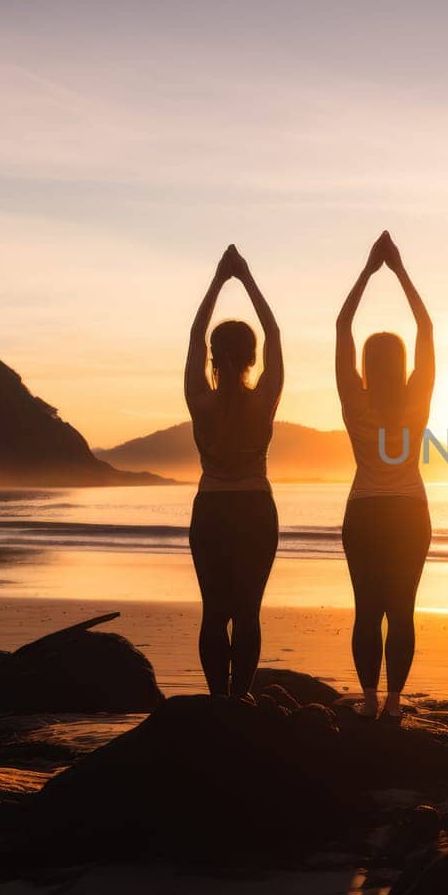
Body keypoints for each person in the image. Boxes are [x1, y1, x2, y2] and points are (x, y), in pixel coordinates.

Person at [336, 231, 434, 720]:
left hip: (365, 511)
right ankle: (394, 702)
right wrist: (399, 272)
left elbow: (341, 327)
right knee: (401, 611)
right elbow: (427, 330)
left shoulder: (356, 401)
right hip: (410, 512)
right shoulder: (416, 400)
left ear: (367, 367)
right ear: (401, 366)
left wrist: (368, 272)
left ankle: (371, 700)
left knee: (367, 610)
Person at [184, 244, 282, 700]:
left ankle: (218, 700)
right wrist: (246, 279)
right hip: (255, 509)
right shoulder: (263, 401)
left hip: (212, 509)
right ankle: (240, 697)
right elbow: (275, 334)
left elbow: (195, 333)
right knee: (247, 612)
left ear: (212, 357)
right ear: (252, 358)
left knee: (213, 611)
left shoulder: (201, 401)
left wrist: (219, 281)